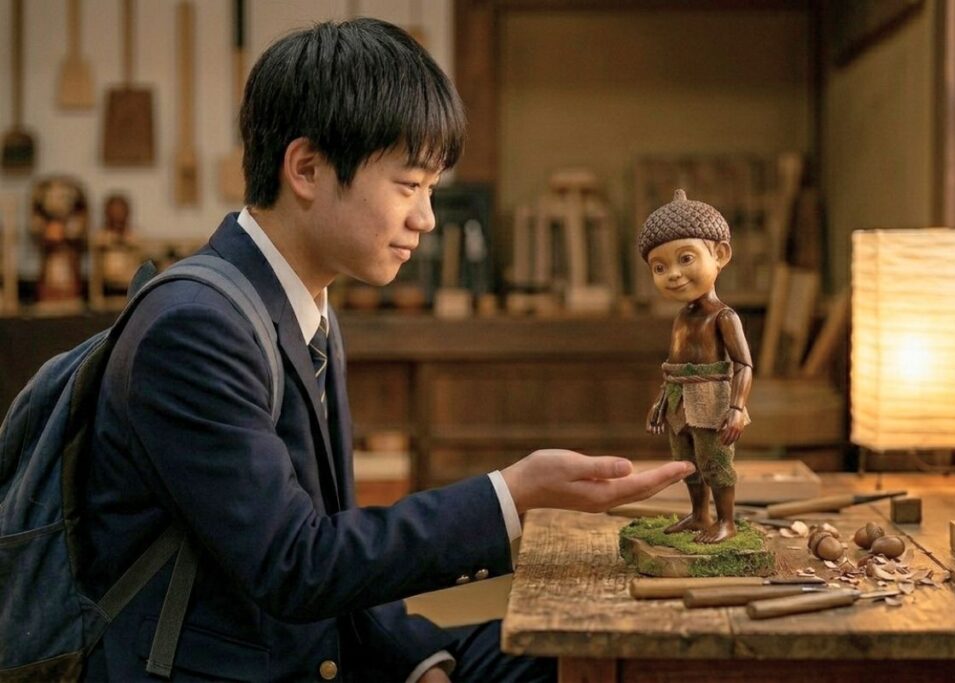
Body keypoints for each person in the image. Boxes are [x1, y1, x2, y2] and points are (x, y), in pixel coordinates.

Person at [81, 19, 692, 683]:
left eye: (431, 189)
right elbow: (298, 563)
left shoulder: (303, 303)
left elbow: (336, 538)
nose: (427, 218)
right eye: (409, 185)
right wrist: (509, 496)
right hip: (243, 670)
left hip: (316, 645)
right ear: (307, 169)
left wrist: (416, 659)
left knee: (585, 648)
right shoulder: (195, 328)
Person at [638, 189, 753, 544]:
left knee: (715, 463)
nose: (673, 274)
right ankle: (699, 514)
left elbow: (744, 364)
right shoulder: (680, 318)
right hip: (678, 402)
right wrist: (661, 403)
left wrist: (736, 408)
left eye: (685, 259)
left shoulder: (724, 317)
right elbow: (673, 367)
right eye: (660, 267)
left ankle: (727, 521)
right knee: (686, 462)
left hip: (711, 401)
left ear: (719, 254)